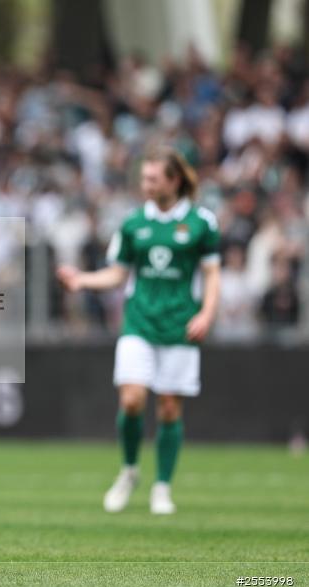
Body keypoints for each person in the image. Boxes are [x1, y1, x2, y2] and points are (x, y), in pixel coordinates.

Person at [56, 147, 220, 515]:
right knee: (131, 400)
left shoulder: (201, 222)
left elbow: (212, 273)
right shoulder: (132, 224)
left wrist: (207, 313)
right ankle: (129, 471)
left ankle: (162, 487)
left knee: (169, 408)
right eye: (144, 178)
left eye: (152, 178)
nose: (145, 185)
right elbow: (118, 274)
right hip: (139, 322)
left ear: (173, 181)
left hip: (180, 324)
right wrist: (82, 281)